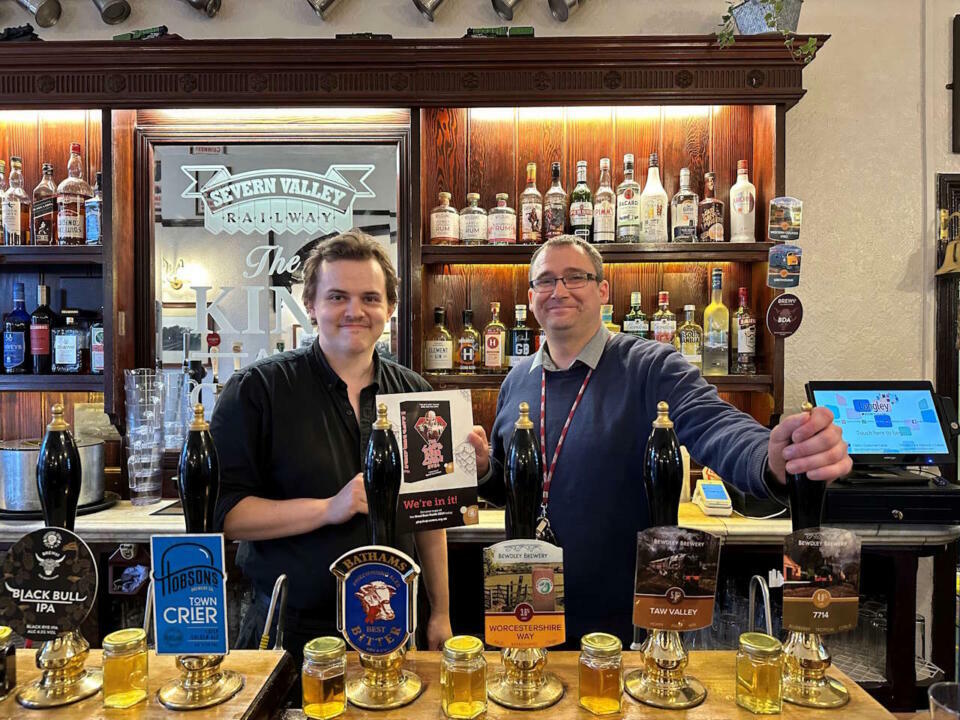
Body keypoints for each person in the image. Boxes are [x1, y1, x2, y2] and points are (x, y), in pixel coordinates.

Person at [468, 235, 851, 646]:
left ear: (602, 290)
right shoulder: (516, 380)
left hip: (621, 618)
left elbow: (716, 425)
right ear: (531, 296)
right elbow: (512, 492)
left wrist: (770, 456)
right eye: (545, 281)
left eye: (574, 278)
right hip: (527, 610)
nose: (558, 290)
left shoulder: (652, 366)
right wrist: (487, 468)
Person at [212, 230, 453, 661]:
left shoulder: (417, 396)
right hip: (289, 628)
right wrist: (331, 507)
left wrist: (441, 612)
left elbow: (430, 519)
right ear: (310, 306)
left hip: (394, 621)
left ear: (390, 309)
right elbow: (225, 515)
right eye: (337, 296)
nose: (354, 311)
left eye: (370, 298)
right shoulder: (258, 389)